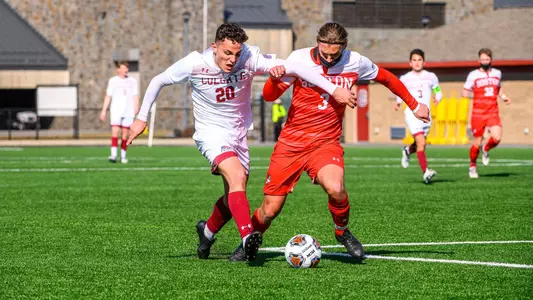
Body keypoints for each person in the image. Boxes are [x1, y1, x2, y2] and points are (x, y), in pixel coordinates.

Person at [126, 23, 357, 262]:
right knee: (236, 177)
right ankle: (248, 237)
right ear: (214, 47)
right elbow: (157, 81)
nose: (232, 60)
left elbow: (296, 67)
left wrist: (333, 89)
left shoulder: (249, 57)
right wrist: (141, 119)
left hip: (238, 135)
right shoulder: (193, 63)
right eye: (227, 53)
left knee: (234, 196)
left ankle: (207, 232)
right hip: (211, 134)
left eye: (237, 54)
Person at [228, 22, 430, 262]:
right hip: (291, 143)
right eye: (323, 53)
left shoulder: (355, 62)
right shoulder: (299, 59)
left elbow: (387, 79)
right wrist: (273, 80)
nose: (327, 59)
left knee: (336, 188)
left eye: (334, 55)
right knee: (270, 209)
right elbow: (269, 96)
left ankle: (342, 231)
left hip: (326, 142)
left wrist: (415, 105)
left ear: (343, 47)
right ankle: (248, 242)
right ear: (317, 43)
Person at [393, 49, 442, 184]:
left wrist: (437, 98)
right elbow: (399, 92)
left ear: (424, 62)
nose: (417, 62)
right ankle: (426, 172)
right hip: (411, 113)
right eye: (414, 60)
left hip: (426, 114)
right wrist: (397, 103)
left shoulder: (431, 76)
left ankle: (407, 151)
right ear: (410, 62)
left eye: (419, 60)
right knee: (421, 142)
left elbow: (438, 90)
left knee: (420, 145)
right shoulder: (405, 78)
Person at [462, 48, 511, 179]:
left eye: (487, 59)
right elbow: (464, 92)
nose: (485, 61)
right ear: (479, 60)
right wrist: (475, 96)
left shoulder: (497, 73)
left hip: (492, 112)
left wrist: (504, 97)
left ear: (491, 60)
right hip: (478, 114)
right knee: (477, 141)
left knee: (497, 137)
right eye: (482, 59)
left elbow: (498, 88)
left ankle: (486, 149)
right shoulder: (473, 75)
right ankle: (472, 166)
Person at [100, 61, 139, 163]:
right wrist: (104, 110)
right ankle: (113, 155)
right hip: (116, 110)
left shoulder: (132, 81)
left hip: (128, 111)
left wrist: (136, 107)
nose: (125, 70)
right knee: (115, 132)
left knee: (125, 134)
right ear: (118, 69)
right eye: (123, 68)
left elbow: (135, 95)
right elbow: (108, 96)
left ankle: (123, 156)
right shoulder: (113, 81)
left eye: (126, 68)